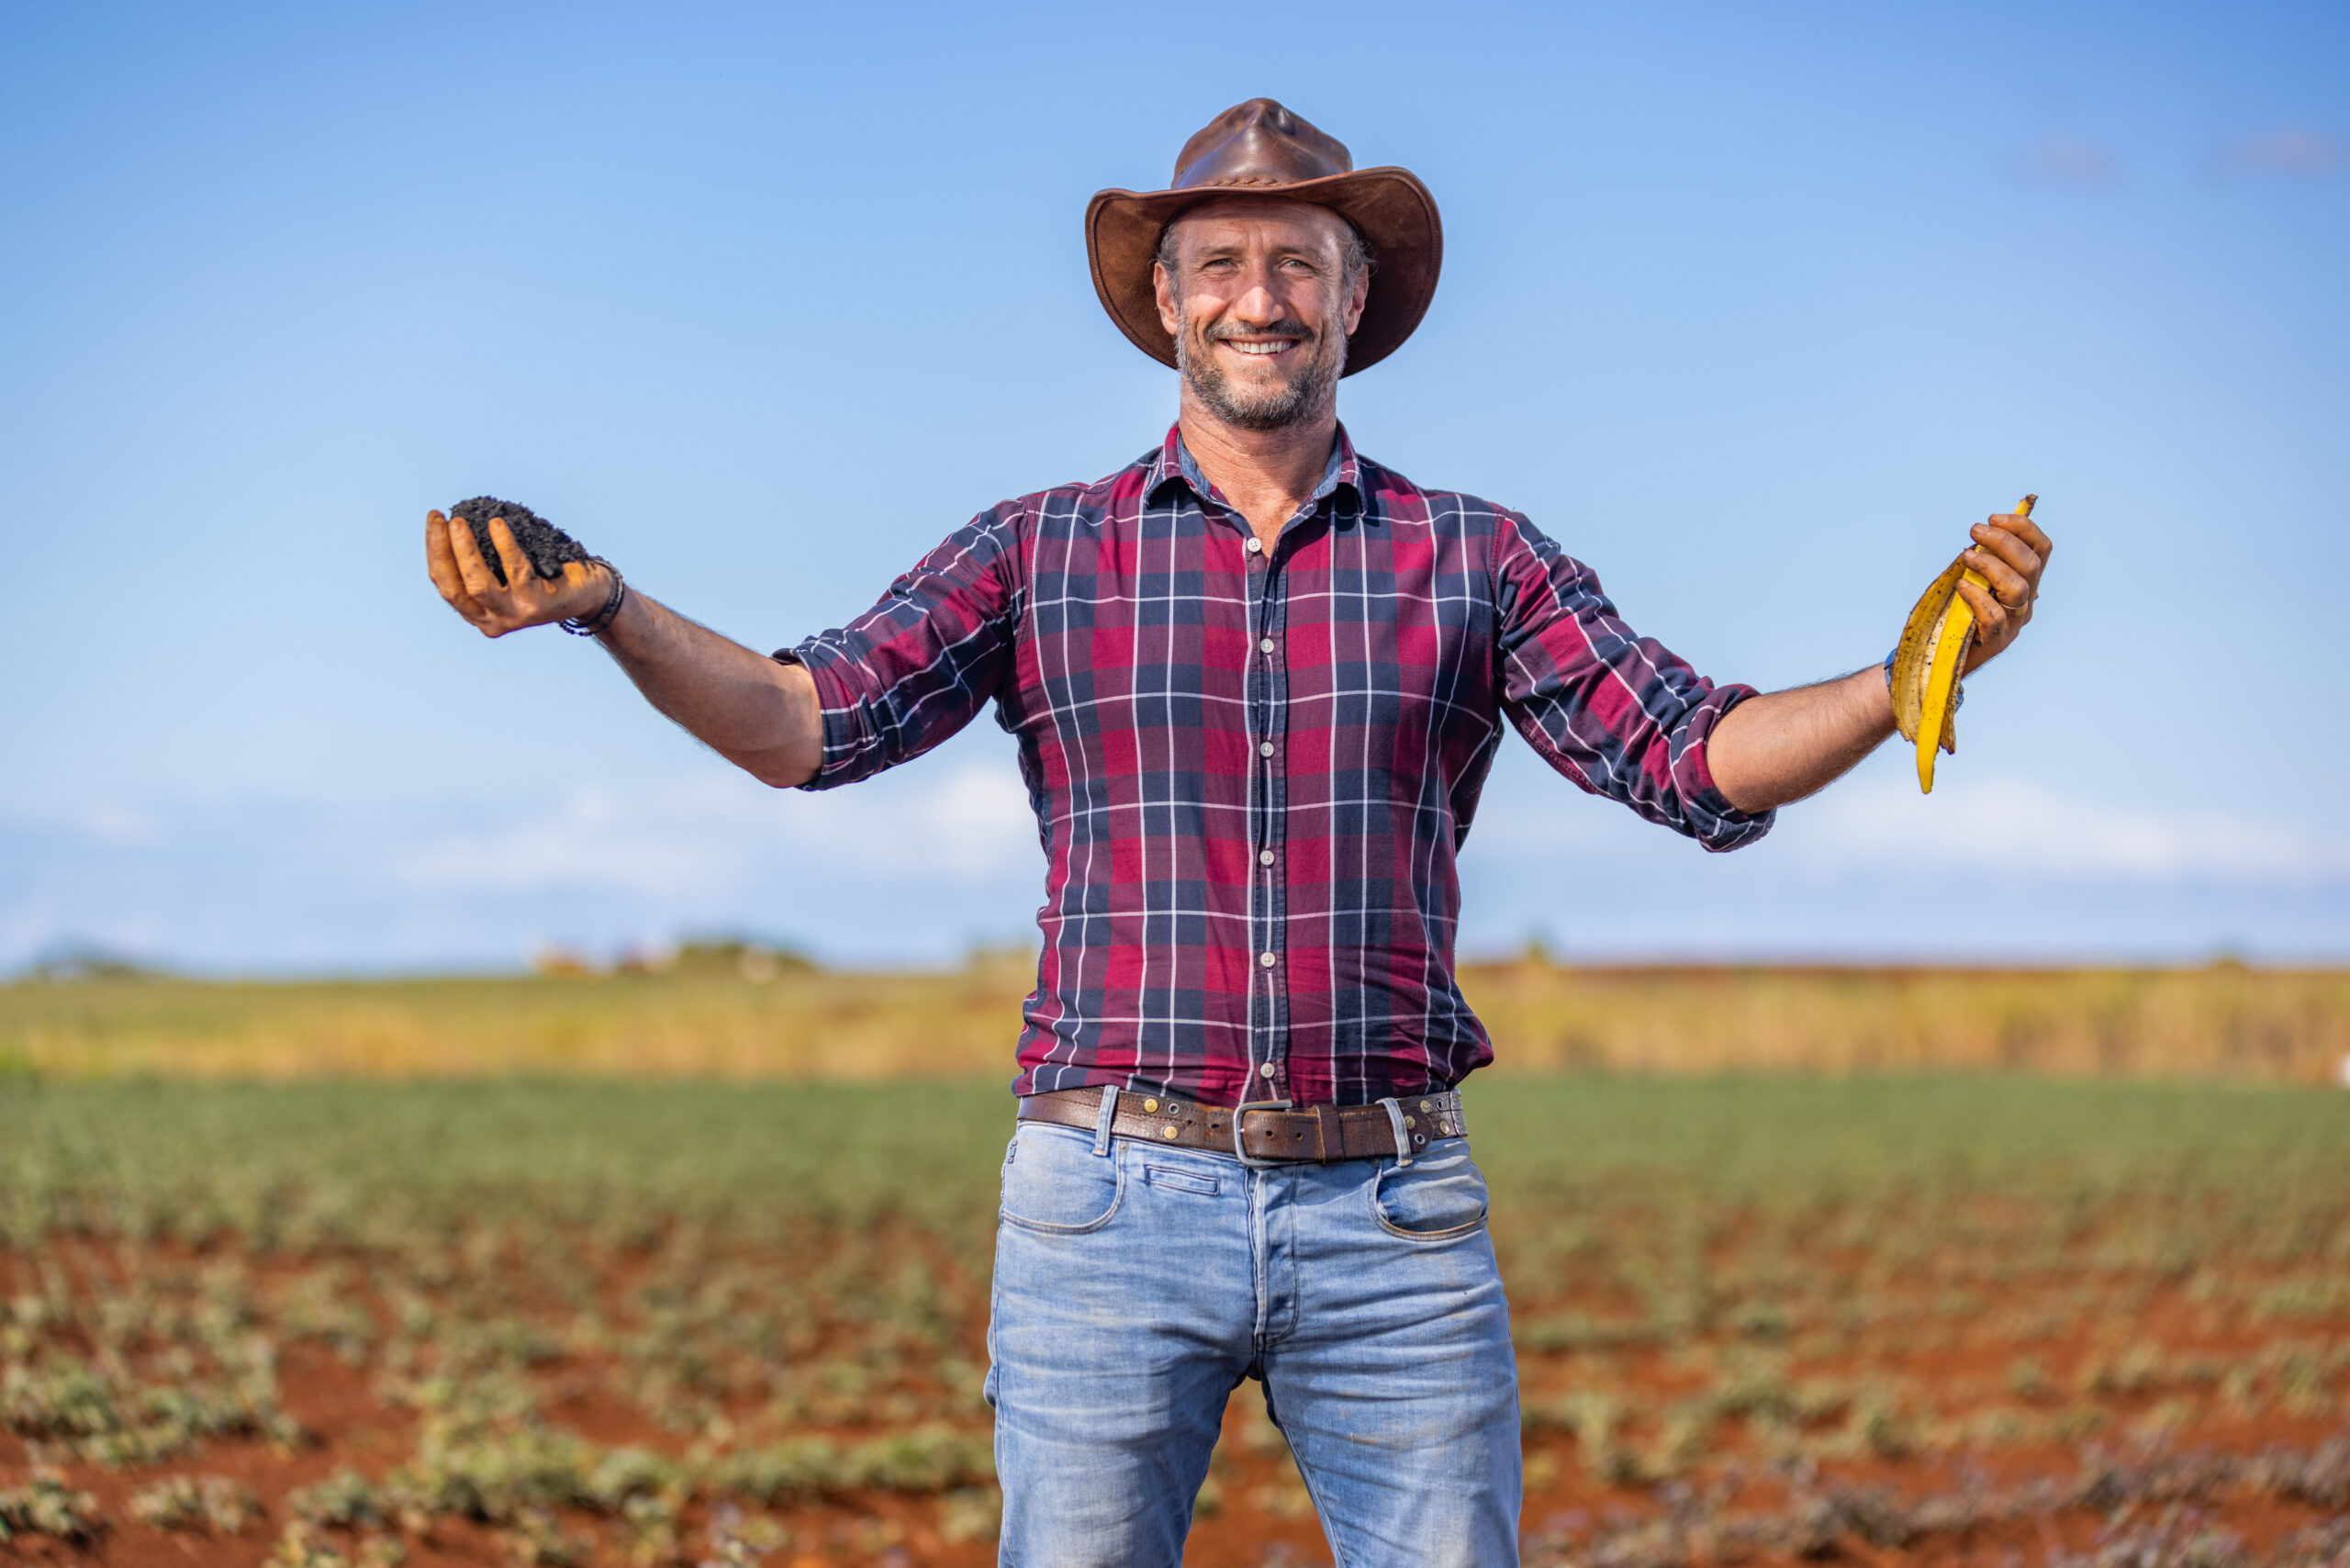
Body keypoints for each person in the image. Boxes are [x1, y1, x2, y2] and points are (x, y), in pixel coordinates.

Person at [425, 97, 2052, 1568]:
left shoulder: (1474, 559)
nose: (1258, 295)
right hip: (1104, 1209)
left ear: (1357, 301)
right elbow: (805, 720)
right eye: (1220, 262)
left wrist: (1905, 676)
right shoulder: (1036, 554)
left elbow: (1694, 757)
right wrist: (613, 613)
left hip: (1396, 1218)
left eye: (1299, 261)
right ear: (1164, 302)